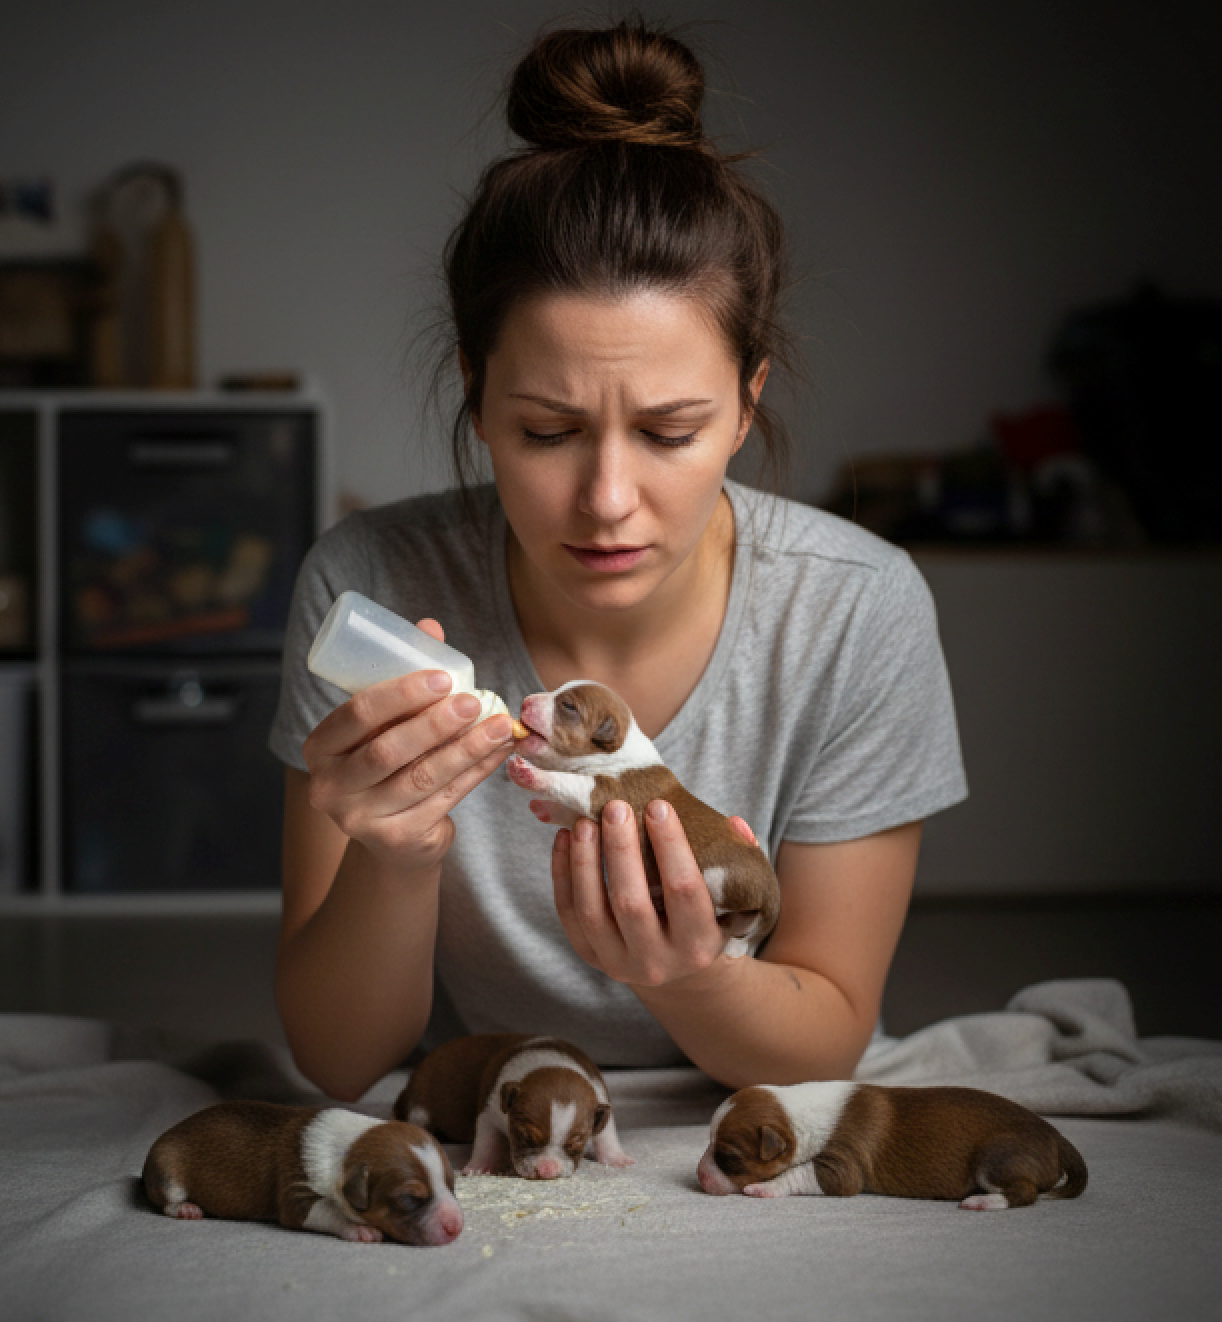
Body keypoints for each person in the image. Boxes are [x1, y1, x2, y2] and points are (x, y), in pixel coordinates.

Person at [269, 18, 967, 1103]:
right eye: (546, 430)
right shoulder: (373, 587)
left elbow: (823, 1039)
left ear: (747, 403)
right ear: (476, 396)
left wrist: (685, 975)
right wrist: (396, 853)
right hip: (475, 1097)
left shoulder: (854, 610)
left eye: (668, 430)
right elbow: (338, 1057)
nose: (604, 499)